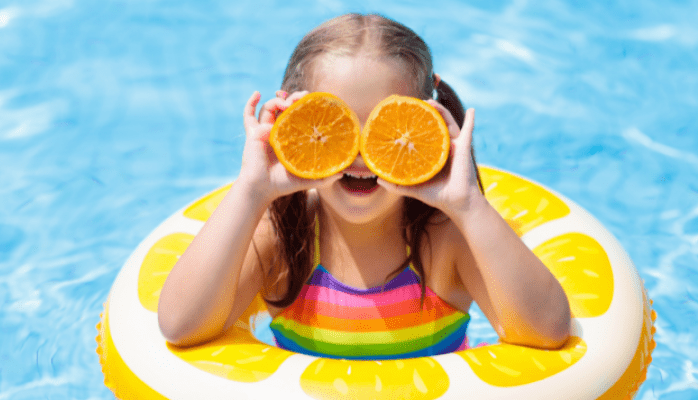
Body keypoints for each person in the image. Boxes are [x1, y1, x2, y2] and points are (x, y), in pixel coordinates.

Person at [157, 13, 570, 359]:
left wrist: (467, 205)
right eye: (335, 125)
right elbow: (181, 326)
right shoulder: (283, 238)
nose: (359, 154)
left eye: (385, 126)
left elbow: (546, 332)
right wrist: (251, 192)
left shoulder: (446, 239)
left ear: (428, 120)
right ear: (293, 120)